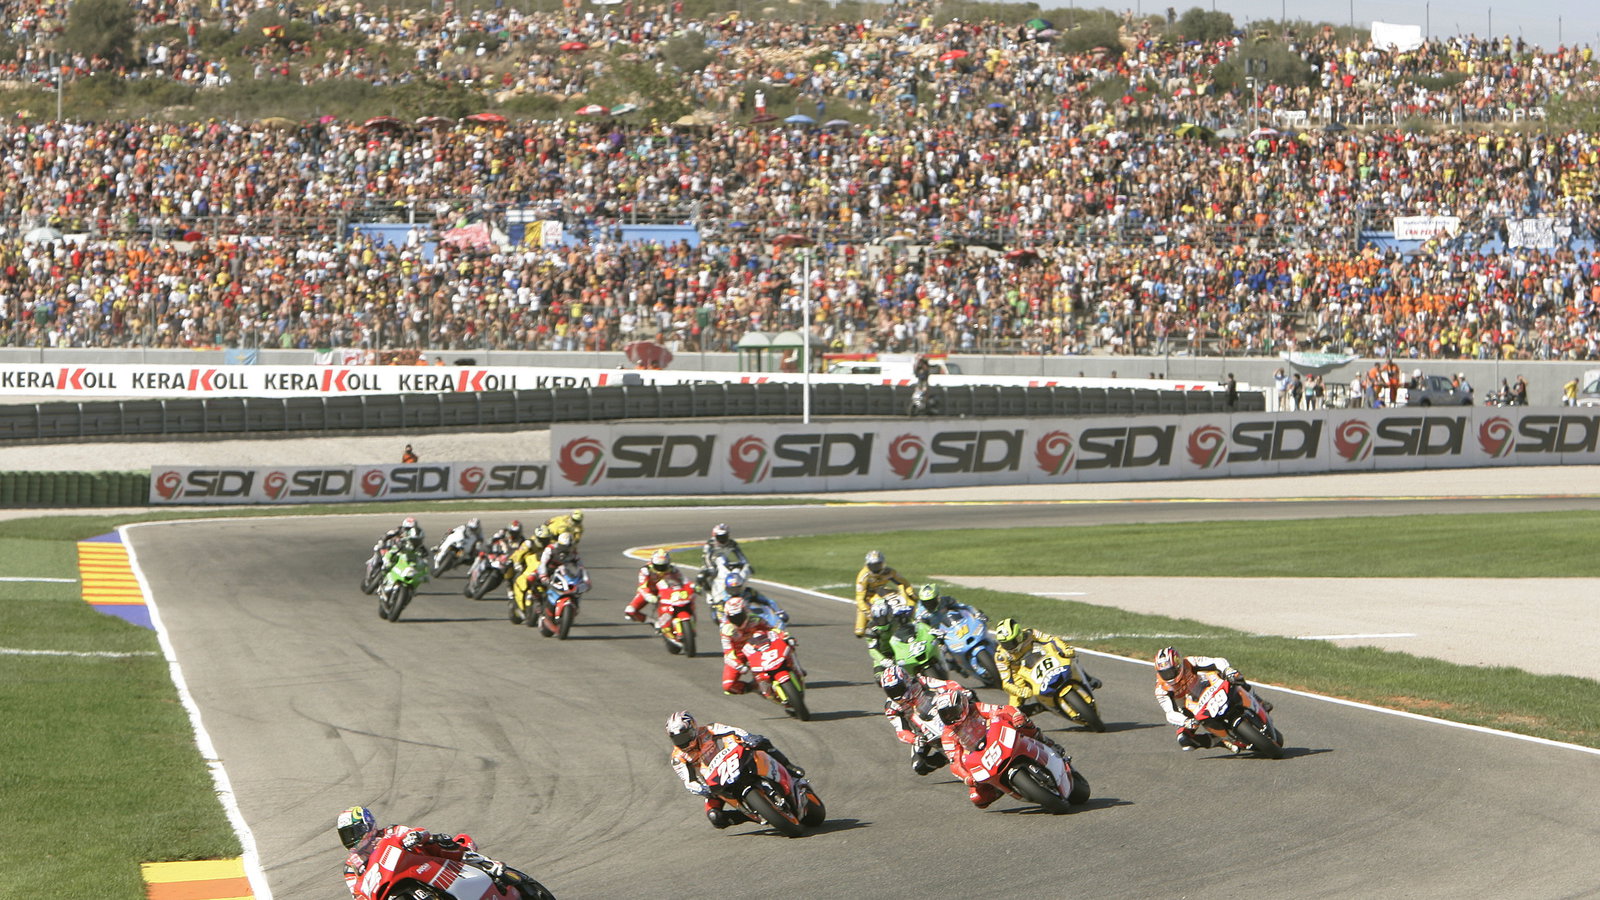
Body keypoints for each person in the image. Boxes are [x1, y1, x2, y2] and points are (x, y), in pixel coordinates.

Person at [666, 711, 807, 829]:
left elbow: (732, 730)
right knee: (715, 817)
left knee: (760, 741)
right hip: (714, 782)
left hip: (732, 760)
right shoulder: (678, 758)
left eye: (684, 737)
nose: (682, 742)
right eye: (677, 739)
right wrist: (702, 789)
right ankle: (753, 815)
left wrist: (747, 737)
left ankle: (788, 766)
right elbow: (689, 781)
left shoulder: (708, 730)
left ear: (693, 729)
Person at [337, 806, 518, 897]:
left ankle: (486, 864)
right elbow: (357, 893)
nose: (351, 839)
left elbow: (414, 833)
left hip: (423, 865)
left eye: (354, 832)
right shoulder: (351, 866)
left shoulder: (390, 832)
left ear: (368, 825)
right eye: (346, 835)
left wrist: (416, 836)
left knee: (438, 843)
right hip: (389, 889)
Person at [934, 690, 1064, 809]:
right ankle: (998, 787)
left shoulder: (976, 708)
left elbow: (1001, 710)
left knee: (1022, 721)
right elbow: (954, 761)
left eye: (953, 711)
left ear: (962, 704)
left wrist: (1015, 716)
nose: (950, 716)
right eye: (945, 714)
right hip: (981, 757)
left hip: (997, 738)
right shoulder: (948, 734)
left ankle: (1046, 742)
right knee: (978, 798)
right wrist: (967, 777)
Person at [1153, 646, 1272, 752]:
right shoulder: (1161, 690)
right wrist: (1186, 721)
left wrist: (1227, 670)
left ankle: (1258, 700)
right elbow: (1170, 713)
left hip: (1207, 687)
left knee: (1235, 677)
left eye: (1171, 671)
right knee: (1185, 741)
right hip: (1189, 708)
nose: (1169, 676)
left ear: (1178, 666)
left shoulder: (1189, 662)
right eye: (1165, 673)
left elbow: (1217, 661)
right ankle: (1221, 740)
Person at [992, 618, 1100, 712]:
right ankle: (1042, 707)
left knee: (1070, 656)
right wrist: (1020, 691)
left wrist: (1065, 648)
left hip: (1040, 658)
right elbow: (1006, 683)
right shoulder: (1001, 656)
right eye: (1004, 643)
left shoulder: (1030, 633)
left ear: (1019, 636)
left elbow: (1051, 639)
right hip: (1020, 672)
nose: (1008, 646)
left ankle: (1087, 678)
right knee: (1013, 710)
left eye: (1011, 642)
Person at [879, 663, 965, 775]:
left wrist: (960, 690)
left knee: (968, 700)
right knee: (919, 766)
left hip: (941, 713)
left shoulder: (920, 681)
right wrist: (914, 739)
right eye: (890, 691)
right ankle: (947, 757)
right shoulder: (891, 707)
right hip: (922, 732)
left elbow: (946, 684)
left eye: (898, 688)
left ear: (906, 681)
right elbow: (901, 731)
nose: (896, 694)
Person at [718, 593, 777, 694]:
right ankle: (752, 686)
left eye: (739, 616)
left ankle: (793, 668)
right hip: (739, 655)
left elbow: (773, 630)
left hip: (758, 650)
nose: (737, 620)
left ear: (745, 611)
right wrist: (738, 665)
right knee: (728, 686)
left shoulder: (756, 619)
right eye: (733, 617)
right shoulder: (726, 630)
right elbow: (727, 653)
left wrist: (784, 636)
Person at [853, 550, 912, 637]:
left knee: (897, 598)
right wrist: (868, 612)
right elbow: (859, 599)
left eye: (877, 565)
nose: (875, 568)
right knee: (859, 632)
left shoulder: (889, 572)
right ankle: (873, 627)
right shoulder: (863, 576)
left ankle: (901, 617)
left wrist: (910, 593)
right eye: (873, 566)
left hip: (881, 593)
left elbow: (904, 582)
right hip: (867, 599)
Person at [625, 548, 690, 623]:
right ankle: (653, 622)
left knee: (679, 605)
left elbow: (684, 581)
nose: (661, 568)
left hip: (667, 592)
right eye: (658, 566)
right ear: (652, 562)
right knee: (630, 611)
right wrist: (648, 596)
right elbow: (642, 587)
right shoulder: (646, 570)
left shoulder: (673, 569)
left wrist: (692, 587)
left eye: (663, 566)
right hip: (650, 592)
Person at [862, 587, 915, 673]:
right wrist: (883, 660)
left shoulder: (899, 618)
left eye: (884, 618)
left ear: (889, 613)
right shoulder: (870, 629)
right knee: (880, 678)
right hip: (884, 655)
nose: (882, 621)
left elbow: (913, 625)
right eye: (879, 619)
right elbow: (872, 649)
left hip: (902, 649)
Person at [506, 525, 553, 622]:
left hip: (541, 567)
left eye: (546, 539)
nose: (544, 542)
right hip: (526, 565)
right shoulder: (529, 543)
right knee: (511, 570)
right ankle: (510, 588)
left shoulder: (550, 545)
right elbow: (518, 554)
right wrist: (517, 563)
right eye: (542, 539)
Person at [911, 583, 978, 629]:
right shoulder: (920, 612)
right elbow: (919, 627)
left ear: (938, 598)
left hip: (954, 630)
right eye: (925, 602)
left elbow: (965, 607)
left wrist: (976, 613)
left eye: (931, 601)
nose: (929, 605)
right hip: (936, 637)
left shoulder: (946, 601)